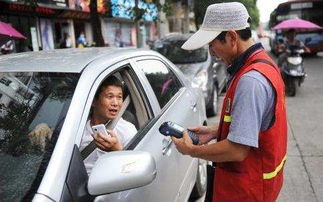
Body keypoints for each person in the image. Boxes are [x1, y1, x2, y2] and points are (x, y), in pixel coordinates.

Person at [171, 2, 287, 202]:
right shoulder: (262, 64)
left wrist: (192, 150)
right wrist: (216, 131)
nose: (212, 53)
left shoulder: (251, 80)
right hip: (253, 187)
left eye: (212, 45)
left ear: (232, 37)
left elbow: (237, 150)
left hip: (246, 193)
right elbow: (256, 121)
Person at [80, 76, 137, 175]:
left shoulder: (127, 130)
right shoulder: (77, 130)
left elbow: (134, 171)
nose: (115, 103)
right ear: (93, 101)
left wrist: (116, 150)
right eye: (110, 97)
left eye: (119, 97)